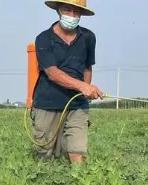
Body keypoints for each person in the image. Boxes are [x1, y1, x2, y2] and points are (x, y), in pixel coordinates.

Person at [31, 0, 104, 165]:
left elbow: (87, 68)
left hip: (77, 104)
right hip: (48, 103)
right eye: (67, 10)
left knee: (77, 150)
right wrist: (82, 86)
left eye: (76, 12)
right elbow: (52, 73)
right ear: (58, 10)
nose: (71, 15)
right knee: (44, 153)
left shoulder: (88, 37)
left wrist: (86, 92)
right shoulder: (43, 39)